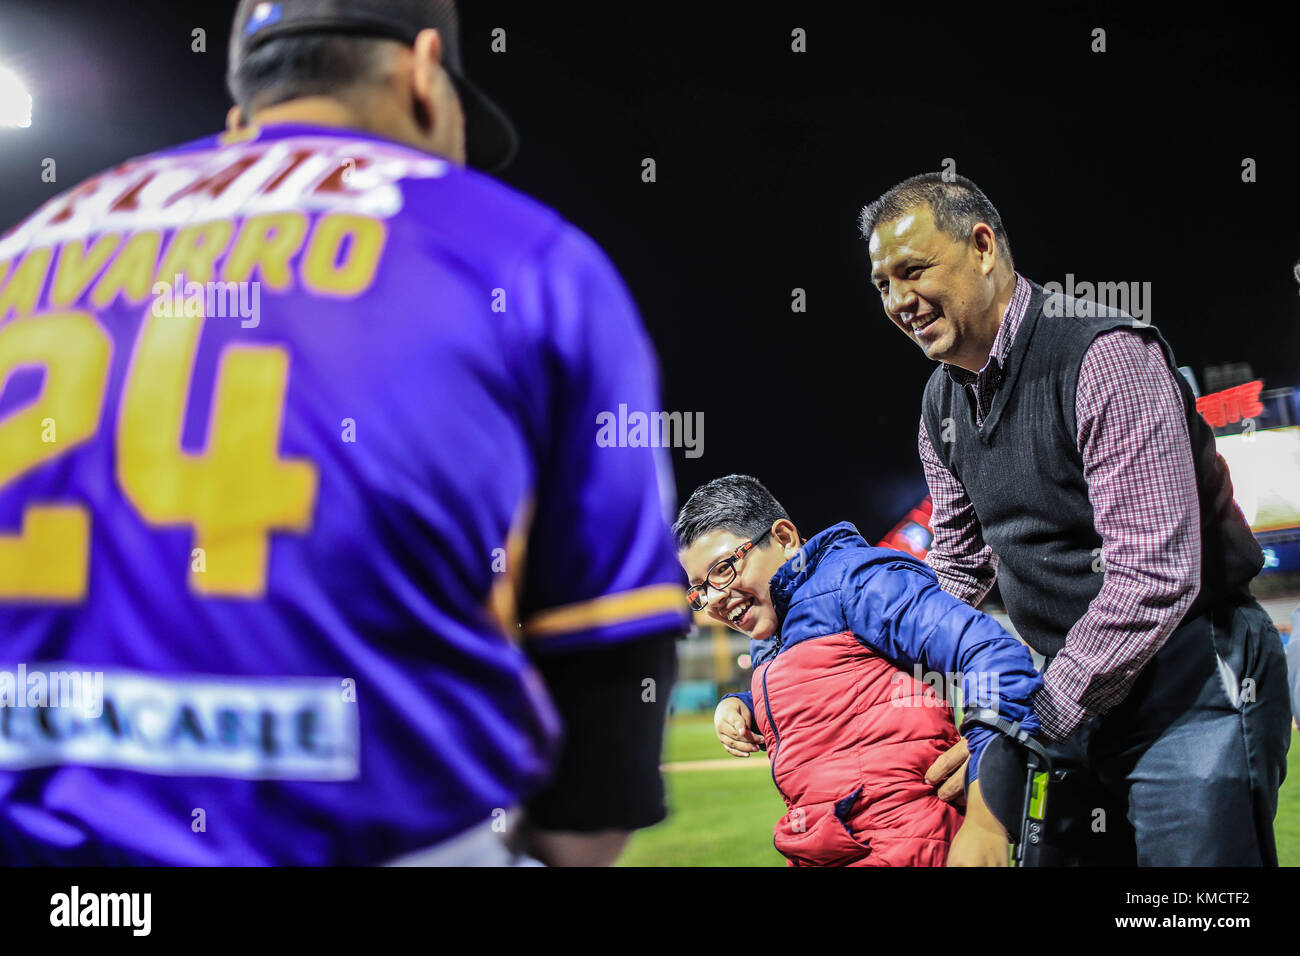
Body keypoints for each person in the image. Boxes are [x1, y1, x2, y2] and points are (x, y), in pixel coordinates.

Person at [0, 0, 687, 865]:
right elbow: (610, 664)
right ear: (423, 73)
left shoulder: (28, 246)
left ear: (240, 113)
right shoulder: (523, 254)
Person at [861, 172, 1292, 865]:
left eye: (912, 271)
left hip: (1189, 684)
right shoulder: (938, 404)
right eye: (882, 284)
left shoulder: (1103, 353)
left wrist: (1024, 719)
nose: (898, 300)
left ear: (982, 246)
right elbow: (961, 565)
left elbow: (1152, 577)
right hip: (1071, 686)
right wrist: (870, 681)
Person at [675, 474, 1043, 866]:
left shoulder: (855, 580)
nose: (714, 597)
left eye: (723, 569)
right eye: (699, 588)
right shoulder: (773, 632)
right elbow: (832, 685)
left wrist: (987, 822)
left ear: (784, 538)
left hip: (911, 849)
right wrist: (743, 704)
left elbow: (991, 654)